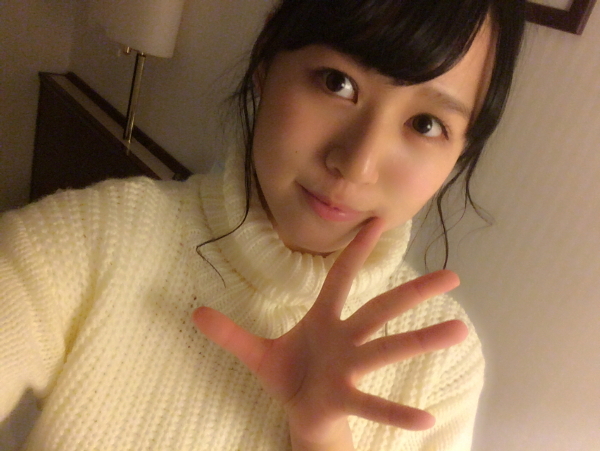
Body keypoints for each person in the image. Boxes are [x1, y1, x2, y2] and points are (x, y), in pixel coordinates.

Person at [0, 1, 525, 450]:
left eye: (426, 124)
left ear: (460, 154)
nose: (357, 165)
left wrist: (322, 437)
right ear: (267, 63)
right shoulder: (91, 239)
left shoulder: (441, 362)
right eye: (338, 82)